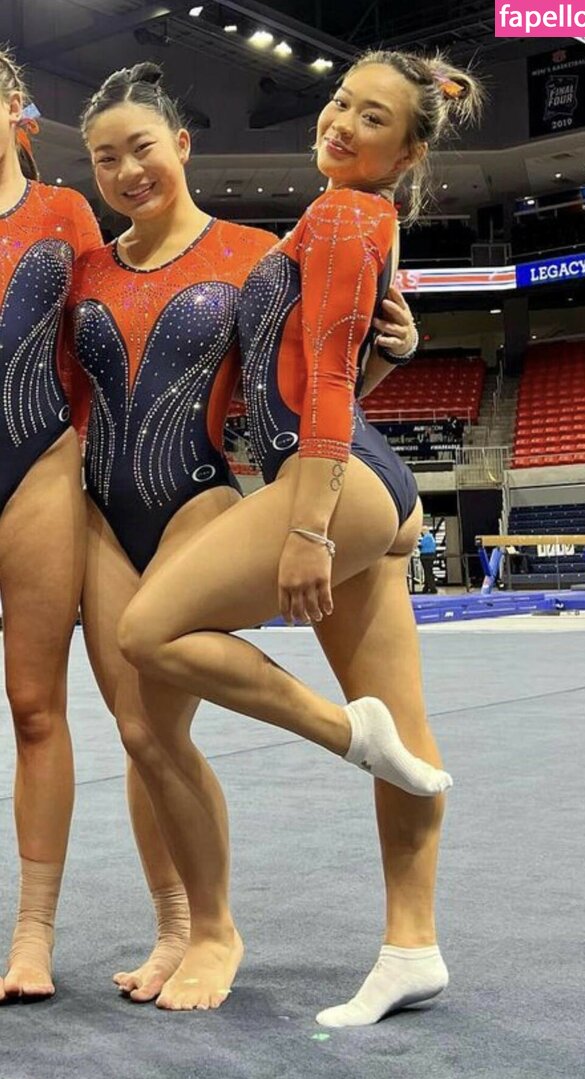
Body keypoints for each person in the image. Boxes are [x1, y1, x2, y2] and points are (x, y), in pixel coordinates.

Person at [118, 49, 481, 1018]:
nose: (342, 124)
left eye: (373, 119)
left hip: (334, 484)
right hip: (360, 475)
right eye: (341, 102)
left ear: (406, 153)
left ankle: (342, 732)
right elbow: (338, 377)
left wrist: (309, 531)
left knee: (147, 631)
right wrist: (393, 360)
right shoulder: (355, 220)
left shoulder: (345, 217)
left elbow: (320, 386)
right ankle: (413, 947)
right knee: (408, 738)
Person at [64, 62, 277, 1006]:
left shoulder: (253, 254)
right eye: (104, 159)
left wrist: (390, 356)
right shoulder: (84, 269)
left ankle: (216, 931)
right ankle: (173, 929)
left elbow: (291, 398)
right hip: (100, 515)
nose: (126, 171)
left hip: (197, 501)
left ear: (182, 145)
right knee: (138, 735)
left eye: (141, 148)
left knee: (161, 729)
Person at [0, 50, 102, 1002]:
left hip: (37, 467)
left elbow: (115, 335)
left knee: (36, 708)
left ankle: (33, 934)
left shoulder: (64, 213)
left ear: (13, 108)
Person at [419, 526, 438, 593]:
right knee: (428, 571)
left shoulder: (426, 537)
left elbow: (421, 545)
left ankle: (433, 588)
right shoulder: (431, 537)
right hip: (431, 555)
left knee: (428, 572)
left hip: (426, 556)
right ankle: (426, 588)